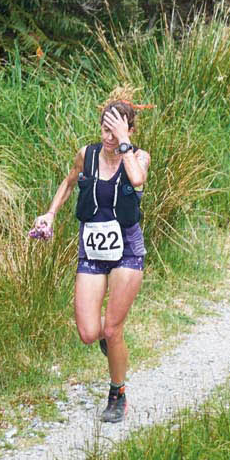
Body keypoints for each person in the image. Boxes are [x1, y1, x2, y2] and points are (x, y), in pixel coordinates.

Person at [30, 96, 149, 423]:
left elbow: (137, 180)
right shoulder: (88, 154)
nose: (108, 138)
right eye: (104, 130)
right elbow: (68, 183)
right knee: (88, 332)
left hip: (127, 248)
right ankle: (110, 345)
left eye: (115, 131)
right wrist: (50, 214)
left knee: (112, 328)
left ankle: (117, 393)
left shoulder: (138, 157)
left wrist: (124, 142)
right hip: (93, 247)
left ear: (129, 130)